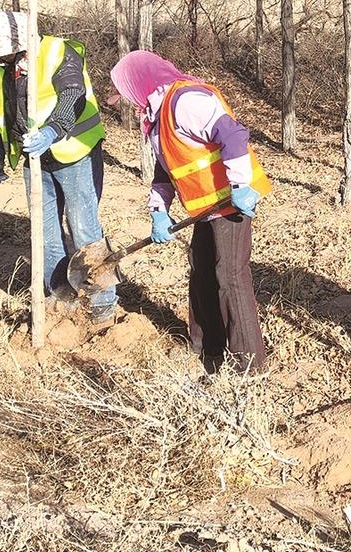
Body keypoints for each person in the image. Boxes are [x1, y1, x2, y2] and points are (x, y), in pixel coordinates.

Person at [109, 51, 271, 374]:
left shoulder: (185, 102)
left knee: (230, 276)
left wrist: (241, 184)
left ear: (141, 83)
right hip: (204, 208)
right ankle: (206, 348)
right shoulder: (156, 116)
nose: (127, 101)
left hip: (231, 201)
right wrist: (158, 209)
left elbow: (232, 134)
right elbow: (166, 166)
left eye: (127, 92)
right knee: (201, 271)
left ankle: (249, 366)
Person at [0, 12, 115, 327]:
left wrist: (52, 130)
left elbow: (73, 95)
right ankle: (62, 299)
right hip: (36, 160)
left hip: (75, 151)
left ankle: (103, 305)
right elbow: (5, 111)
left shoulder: (58, 52)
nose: (4, 61)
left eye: (8, 54)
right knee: (45, 233)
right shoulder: (6, 69)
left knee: (85, 231)